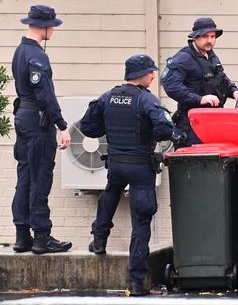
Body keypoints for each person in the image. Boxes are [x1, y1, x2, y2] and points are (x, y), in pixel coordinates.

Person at [80, 54, 177, 297]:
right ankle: (136, 281)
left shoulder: (107, 96)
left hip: (116, 163)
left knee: (110, 194)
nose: (153, 76)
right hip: (140, 167)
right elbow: (166, 128)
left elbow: (88, 127)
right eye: (150, 72)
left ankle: (99, 240)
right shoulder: (146, 100)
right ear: (140, 75)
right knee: (141, 222)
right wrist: (150, 136)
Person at [11, 5, 72, 255]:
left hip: (23, 116)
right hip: (37, 120)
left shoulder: (19, 51)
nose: (54, 31)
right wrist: (62, 125)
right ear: (44, 26)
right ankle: (42, 237)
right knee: (40, 177)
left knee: (24, 175)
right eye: (52, 26)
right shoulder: (37, 55)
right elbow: (45, 93)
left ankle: (22, 235)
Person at [161, 17, 238, 148]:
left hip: (213, 124)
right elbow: (171, 85)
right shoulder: (183, 58)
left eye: (213, 36)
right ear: (195, 37)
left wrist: (234, 91)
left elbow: (221, 78)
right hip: (192, 127)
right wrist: (199, 99)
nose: (210, 40)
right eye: (205, 36)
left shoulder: (210, 55)